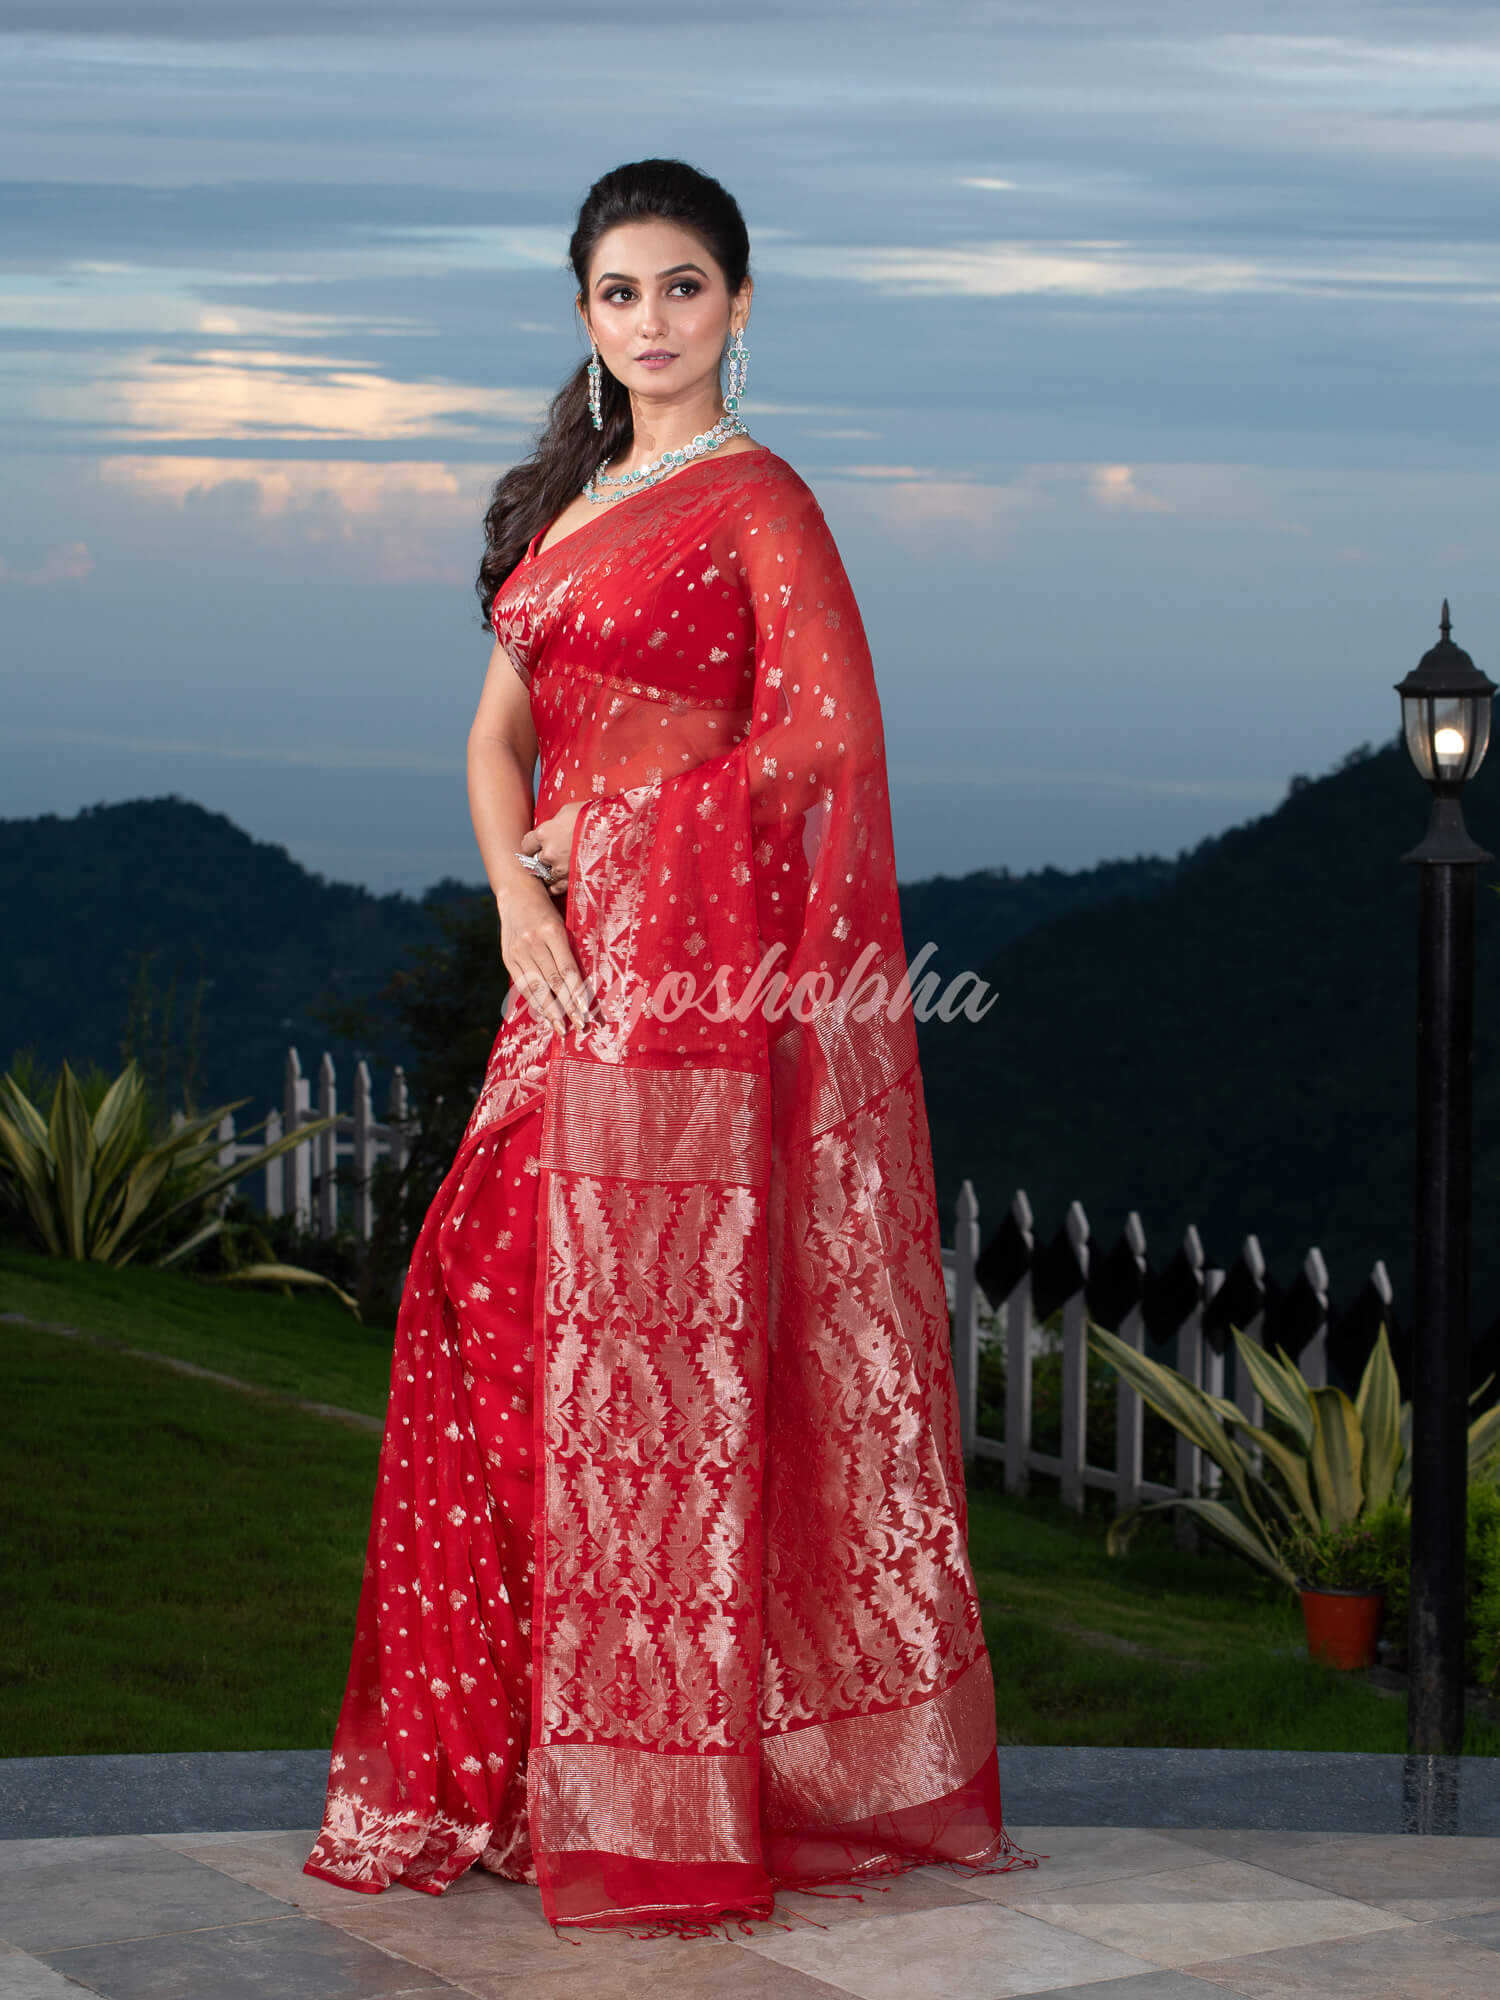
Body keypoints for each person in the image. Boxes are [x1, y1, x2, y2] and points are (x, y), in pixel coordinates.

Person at [304, 155, 1036, 1938]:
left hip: (686, 993)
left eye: (683, 287)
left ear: (741, 304)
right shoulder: (569, 505)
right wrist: (516, 896)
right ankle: (532, 1763)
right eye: (620, 294)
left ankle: (653, 1784)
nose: (651, 322)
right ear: (582, 317)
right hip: (561, 974)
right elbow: (498, 733)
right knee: (487, 1311)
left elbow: (824, 746)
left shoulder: (758, 503)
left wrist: (621, 839)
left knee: (644, 1362)